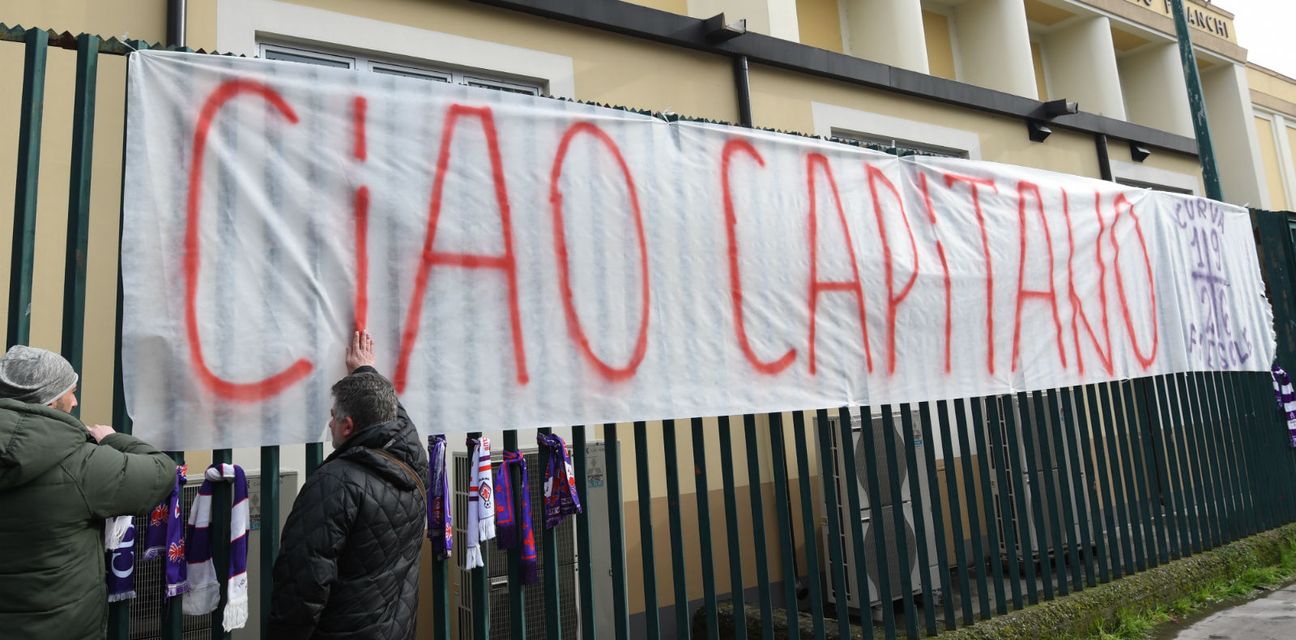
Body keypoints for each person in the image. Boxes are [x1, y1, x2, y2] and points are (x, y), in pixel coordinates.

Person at [0, 344, 175, 639]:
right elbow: (161, 472)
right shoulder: (81, 463)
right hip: (60, 626)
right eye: (71, 391)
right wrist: (113, 439)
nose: (75, 400)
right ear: (52, 402)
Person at [268, 331, 428, 639]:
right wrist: (364, 371)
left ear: (348, 426)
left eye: (333, 416)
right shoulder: (413, 464)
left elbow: (301, 589)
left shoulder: (333, 482)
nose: (329, 424)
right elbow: (398, 419)